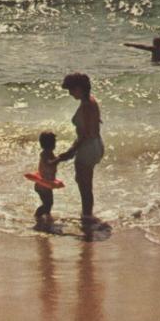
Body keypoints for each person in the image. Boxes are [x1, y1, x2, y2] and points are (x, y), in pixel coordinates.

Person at [57, 73, 104, 222]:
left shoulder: (87, 105)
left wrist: (71, 151)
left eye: (71, 90)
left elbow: (85, 134)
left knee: (84, 185)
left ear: (79, 88)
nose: (70, 93)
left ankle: (87, 217)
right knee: (83, 182)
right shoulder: (90, 101)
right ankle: (87, 215)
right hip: (95, 144)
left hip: (88, 147)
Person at [34, 131, 60, 223]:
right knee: (48, 203)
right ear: (49, 144)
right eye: (53, 142)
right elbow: (49, 163)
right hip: (42, 186)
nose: (55, 144)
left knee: (49, 203)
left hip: (46, 185)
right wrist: (58, 159)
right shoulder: (45, 154)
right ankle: (37, 215)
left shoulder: (49, 153)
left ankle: (47, 216)